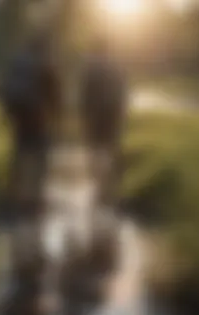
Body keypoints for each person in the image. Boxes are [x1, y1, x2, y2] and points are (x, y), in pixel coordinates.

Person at [0, 28, 62, 221]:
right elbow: (54, 93)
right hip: (35, 114)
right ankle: (35, 199)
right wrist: (57, 116)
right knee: (41, 154)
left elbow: (4, 87)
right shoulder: (43, 62)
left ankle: (14, 196)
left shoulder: (17, 61)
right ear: (43, 46)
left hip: (17, 113)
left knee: (20, 152)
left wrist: (7, 113)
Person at [79, 37, 128, 209]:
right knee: (111, 147)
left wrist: (84, 114)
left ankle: (98, 186)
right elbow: (122, 90)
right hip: (113, 112)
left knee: (95, 148)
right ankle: (111, 189)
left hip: (96, 113)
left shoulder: (91, 66)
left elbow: (86, 91)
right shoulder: (116, 65)